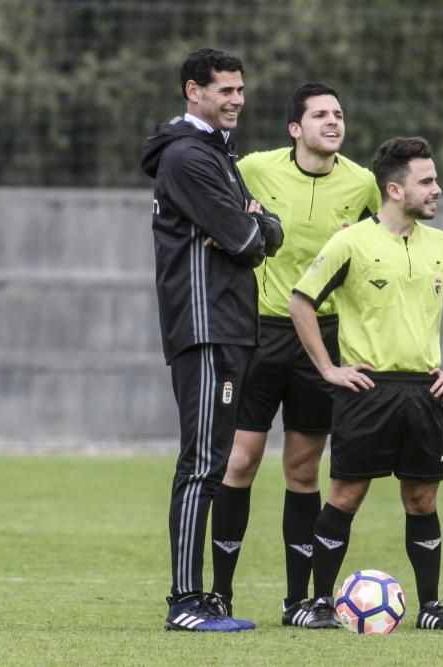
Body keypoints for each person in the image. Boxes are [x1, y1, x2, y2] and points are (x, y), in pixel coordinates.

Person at [287, 136, 443, 630]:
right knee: (346, 496)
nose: (438, 189)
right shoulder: (351, 242)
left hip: (424, 392)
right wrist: (329, 369)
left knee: (422, 499)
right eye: (427, 181)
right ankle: (321, 604)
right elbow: (301, 301)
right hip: (367, 391)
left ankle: (431, 608)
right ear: (395, 189)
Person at [208, 83, 381, 627]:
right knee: (239, 461)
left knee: (303, 469)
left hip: (324, 341)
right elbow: (217, 209)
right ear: (294, 128)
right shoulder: (256, 169)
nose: (334, 122)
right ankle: (220, 594)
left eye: (339, 113)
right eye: (321, 115)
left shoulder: (363, 183)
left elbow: (387, 239)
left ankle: (297, 601)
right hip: (257, 335)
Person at [140, 47, 283, 632]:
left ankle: (193, 599)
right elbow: (250, 239)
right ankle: (184, 603)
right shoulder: (188, 158)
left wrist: (255, 224)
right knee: (202, 463)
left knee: (213, 460)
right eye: (225, 90)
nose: (237, 101)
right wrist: (251, 225)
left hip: (228, 325)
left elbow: (264, 229)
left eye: (241, 90)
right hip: (205, 328)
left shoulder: (218, 155)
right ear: (192, 91)